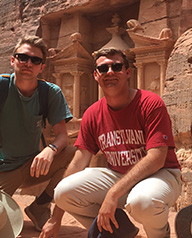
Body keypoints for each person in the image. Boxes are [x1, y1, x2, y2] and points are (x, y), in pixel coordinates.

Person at [40, 48, 182, 238]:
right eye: (103, 68)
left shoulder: (150, 103)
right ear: (96, 75)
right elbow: (79, 162)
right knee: (62, 192)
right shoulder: (93, 113)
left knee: (142, 202)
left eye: (116, 67)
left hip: (161, 174)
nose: (110, 72)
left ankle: (159, 234)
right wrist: (55, 218)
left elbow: (157, 158)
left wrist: (113, 194)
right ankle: (119, 230)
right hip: (119, 176)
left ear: (128, 72)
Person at [0, 35, 75, 232]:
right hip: (0, 171)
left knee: (74, 154)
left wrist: (51, 150)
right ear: (13, 60)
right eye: (23, 57)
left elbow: (63, 134)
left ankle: (39, 207)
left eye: (35, 60)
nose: (29, 63)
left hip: (31, 165)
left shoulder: (50, 92)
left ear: (42, 67)